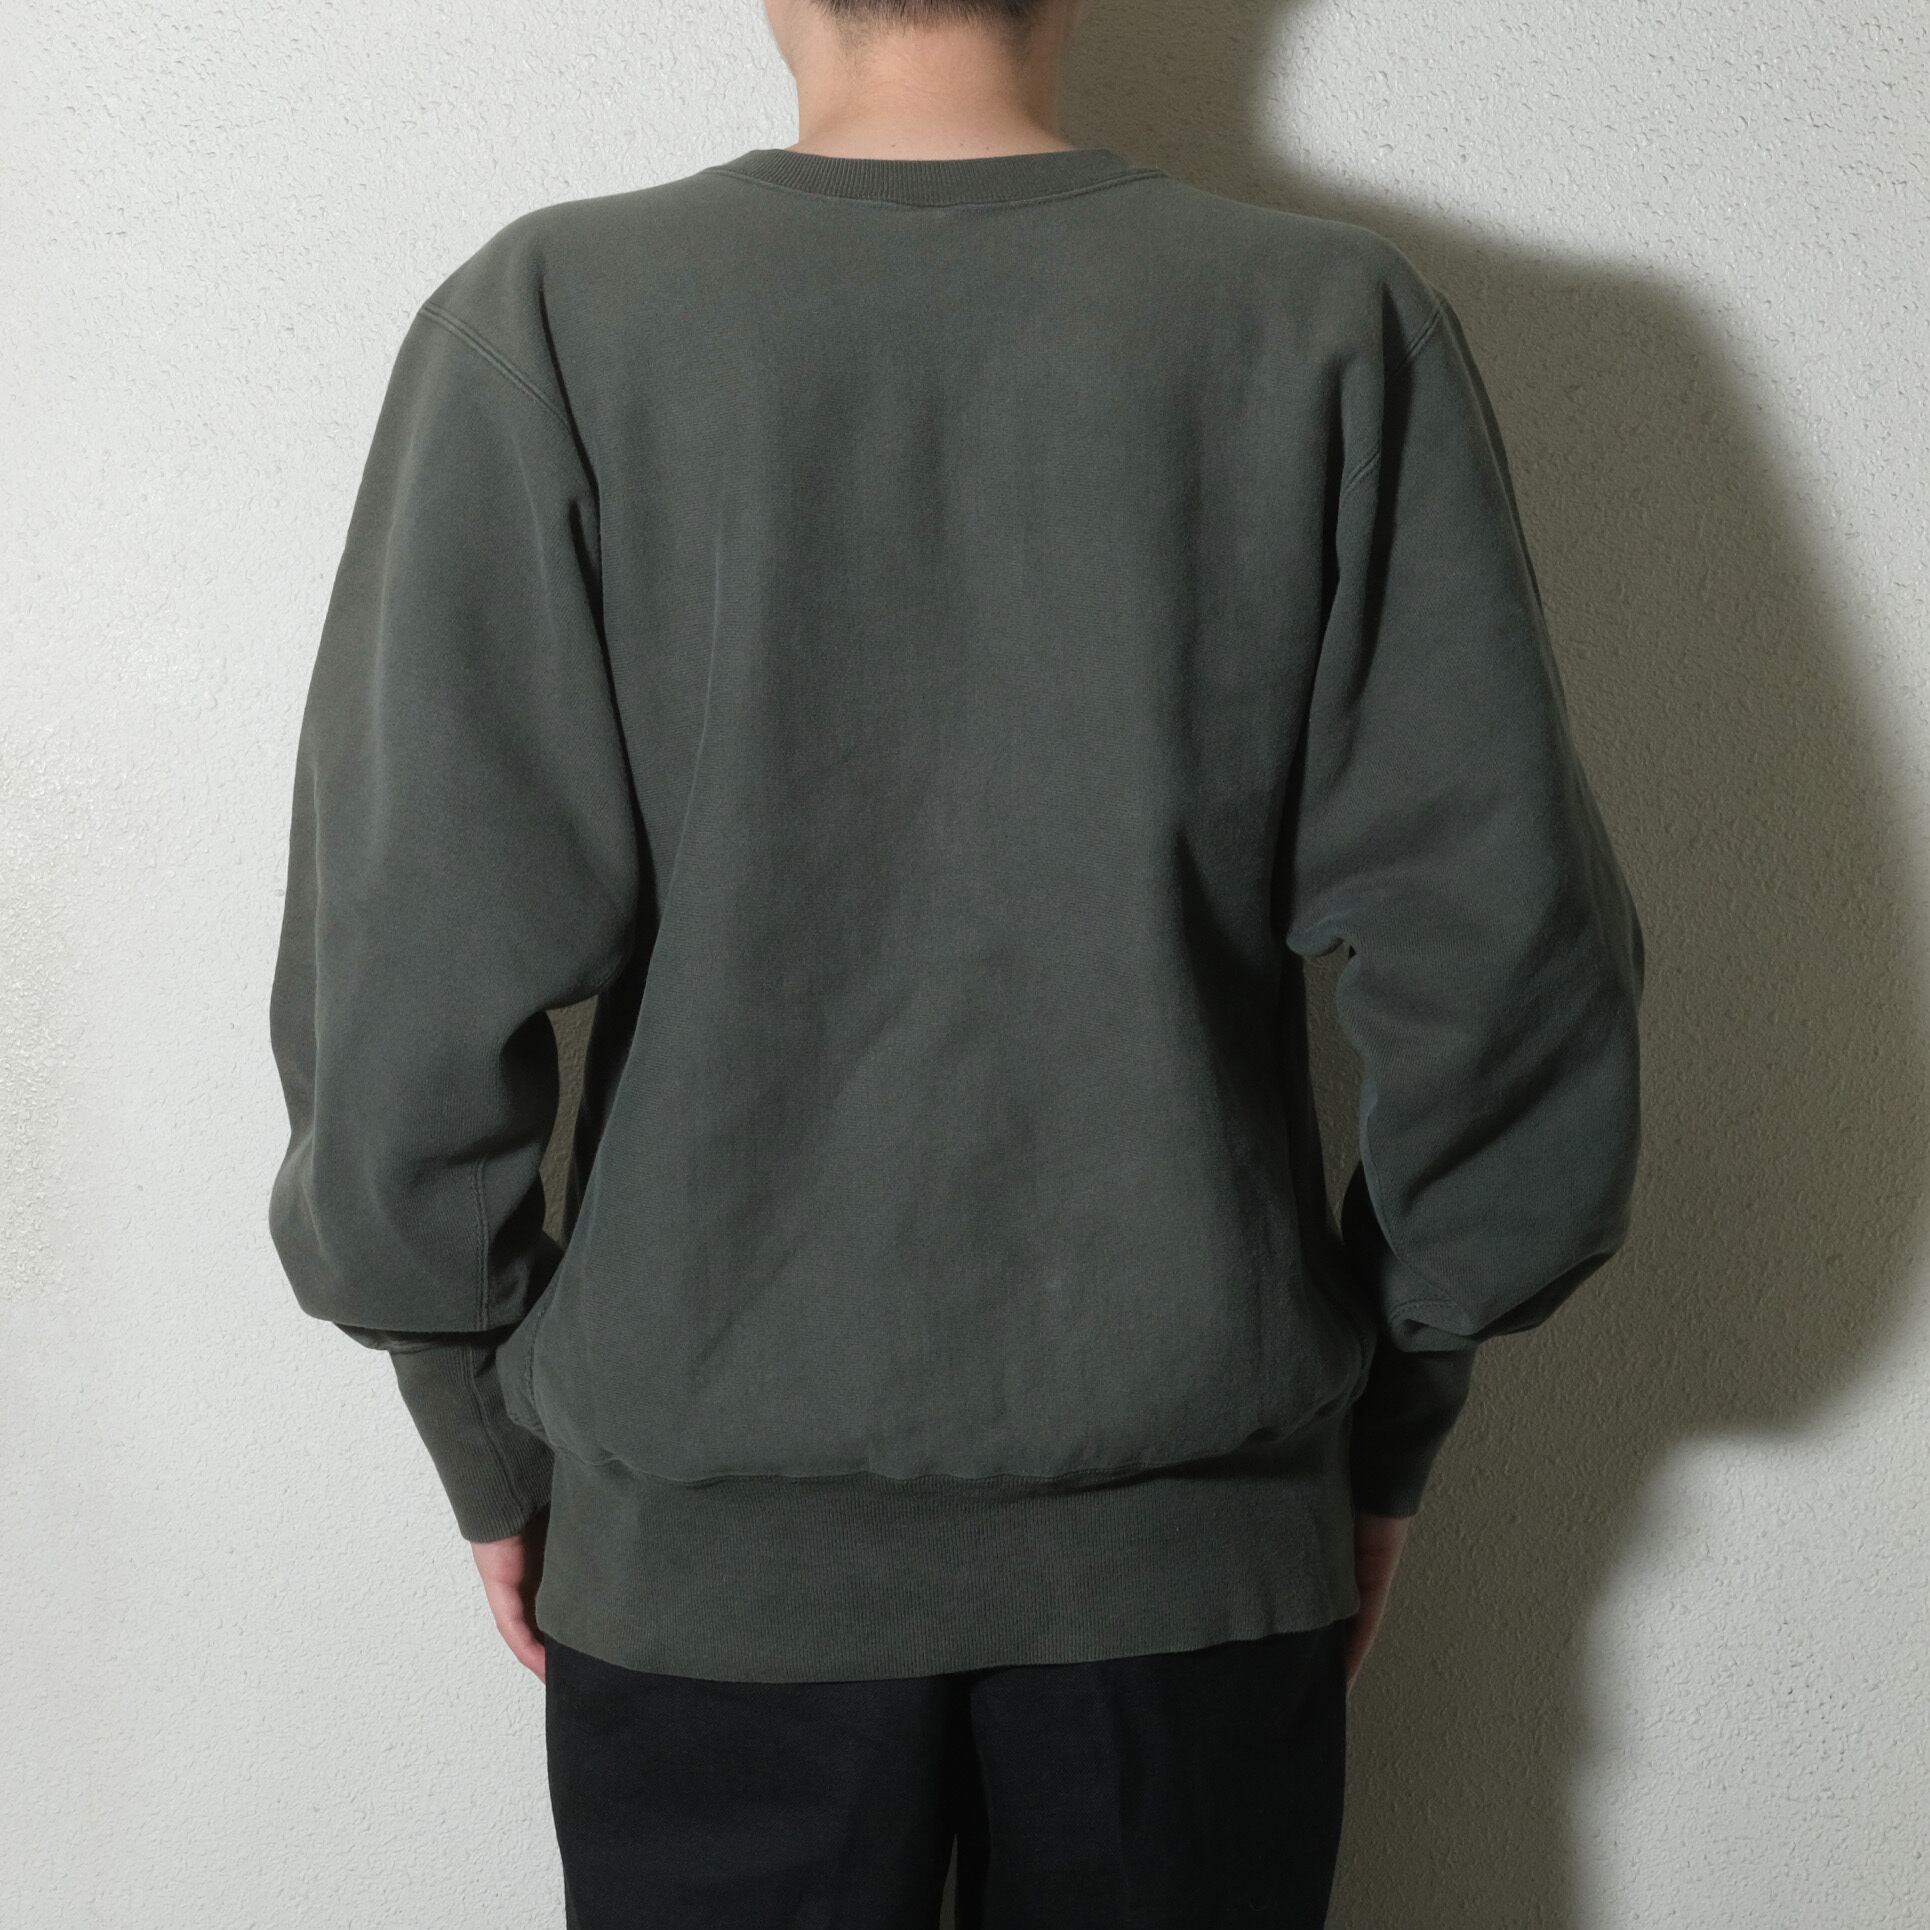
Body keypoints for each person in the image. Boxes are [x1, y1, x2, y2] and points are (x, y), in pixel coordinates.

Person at [265, 0, 1646, 1921]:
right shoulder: (1326, 322)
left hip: (708, 1572)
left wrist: (476, 1421)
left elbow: (406, 958)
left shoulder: (558, 317)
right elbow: (1504, 963)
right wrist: (1395, 1401)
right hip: (1192, 1566)